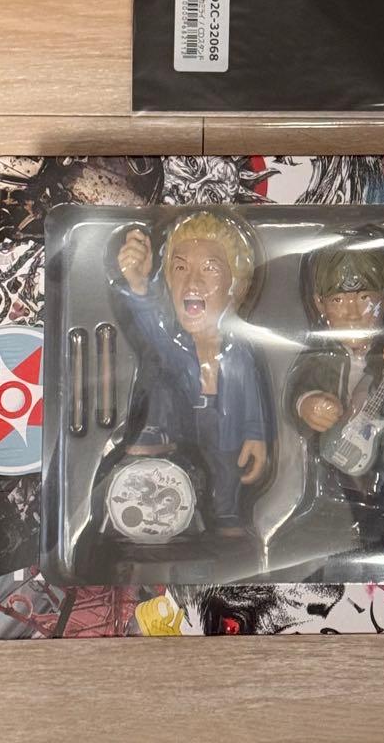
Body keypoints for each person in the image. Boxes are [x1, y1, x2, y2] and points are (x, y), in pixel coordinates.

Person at [271, 227, 384, 580]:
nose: (353, 313)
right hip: (330, 487)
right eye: (339, 301)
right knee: (309, 549)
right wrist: (307, 404)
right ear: (319, 305)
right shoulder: (319, 358)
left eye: (365, 297)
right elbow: (298, 388)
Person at [114, 211, 273, 536]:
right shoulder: (174, 345)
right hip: (182, 432)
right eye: (181, 268)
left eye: (210, 269)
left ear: (236, 285)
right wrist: (138, 285)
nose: (193, 282)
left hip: (226, 432)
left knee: (226, 477)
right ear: (169, 282)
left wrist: (256, 435)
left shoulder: (240, 353)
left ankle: (226, 518)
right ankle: (182, 516)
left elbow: (252, 398)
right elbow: (151, 330)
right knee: (162, 387)